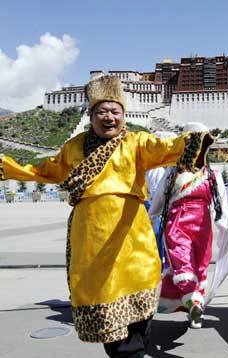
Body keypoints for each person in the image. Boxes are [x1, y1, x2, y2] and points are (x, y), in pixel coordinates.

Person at [0, 75, 189, 358]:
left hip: (131, 238)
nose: (109, 117)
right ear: (91, 115)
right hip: (91, 238)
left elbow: (165, 149)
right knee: (104, 302)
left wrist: (193, 141)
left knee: (138, 301)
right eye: (102, 111)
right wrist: (10, 167)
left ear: (124, 116)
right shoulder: (74, 147)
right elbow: (47, 171)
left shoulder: (136, 143)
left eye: (115, 111)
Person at [148, 122, 228, 329]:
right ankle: (194, 303)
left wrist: (222, 227)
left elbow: (220, 204)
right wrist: (149, 221)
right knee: (182, 263)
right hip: (177, 224)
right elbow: (158, 200)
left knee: (200, 266)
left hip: (203, 227)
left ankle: (194, 306)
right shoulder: (172, 173)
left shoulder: (212, 175)